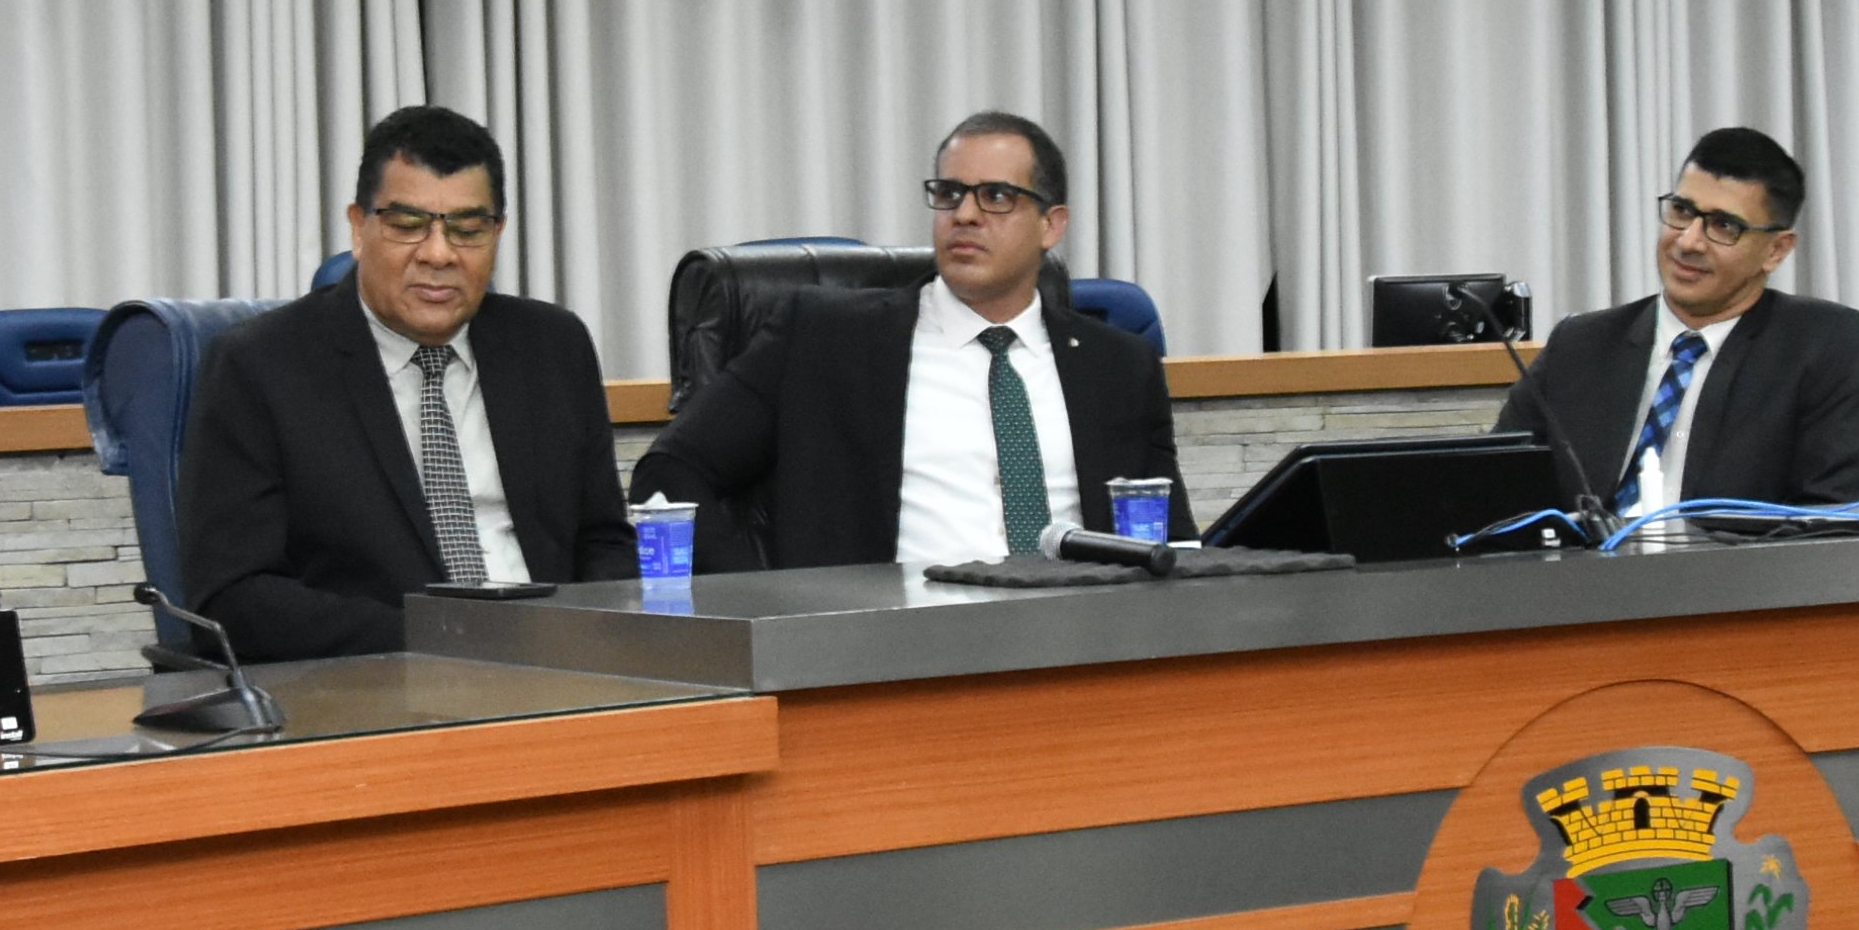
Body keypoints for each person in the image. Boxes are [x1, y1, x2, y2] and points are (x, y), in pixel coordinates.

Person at [171, 106, 637, 661]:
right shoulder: (261, 366)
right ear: (358, 227)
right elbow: (233, 598)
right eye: (407, 225)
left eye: (468, 229)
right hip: (376, 679)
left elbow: (604, 541)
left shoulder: (552, 347)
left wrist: (589, 635)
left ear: (498, 233)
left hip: (562, 672)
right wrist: (450, 640)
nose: (438, 254)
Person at [635, 111, 1179, 569]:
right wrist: (767, 605)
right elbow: (671, 473)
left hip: (1083, 638)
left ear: (1051, 225)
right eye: (949, 194)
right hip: (896, 640)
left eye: (995, 196)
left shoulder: (1121, 367)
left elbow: (1172, 542)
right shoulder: (825, 339)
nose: (964, 214)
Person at [1499, 126, 1859, 517]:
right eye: (1682, 212)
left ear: (1776, 249)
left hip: (1733, 558)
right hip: (1584, 557)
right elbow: (1496, 494)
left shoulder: (1823, 346)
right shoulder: (1579, 345)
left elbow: (1834, 518)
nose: (1688, 241)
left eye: (1724, 226)